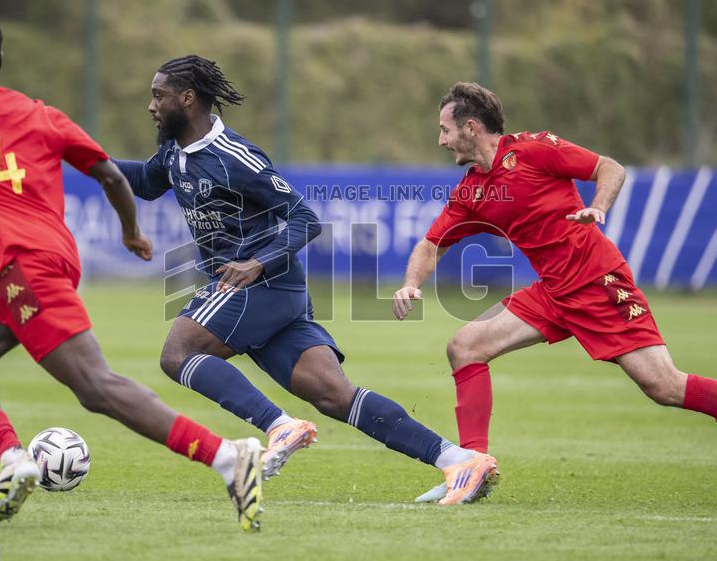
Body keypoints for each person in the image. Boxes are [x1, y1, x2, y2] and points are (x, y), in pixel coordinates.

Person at [0, 12, 265, 531]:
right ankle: (14, 460)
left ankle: (229, 457)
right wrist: (130, 233)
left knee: (96, 388)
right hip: (51, 259)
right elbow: (108, 175)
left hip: (20, 265)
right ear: (0, 61)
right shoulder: (39, 113)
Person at [393, 82, 717, 503]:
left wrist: (598, 206)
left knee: (664, 386)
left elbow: (609, 167)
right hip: (552, 291)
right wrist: (411, 284)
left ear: (470, 128)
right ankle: (473, 467)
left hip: (597, 282)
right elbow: (431, 244)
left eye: (445, 129)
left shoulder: (533, 149)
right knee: (465, 346)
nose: (441, 139)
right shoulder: (473, 190)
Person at [114, 55, 496, 505]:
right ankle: (457, 460)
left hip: (260, 282)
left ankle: (278, 426)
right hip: (275, 294)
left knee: (178, 353)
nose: (151, 105)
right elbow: (144, 181)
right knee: (334, 395)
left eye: (158, 96)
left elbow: (304, 218)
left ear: (187, 98)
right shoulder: (175, 152)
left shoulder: (234, 157)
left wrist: (257, 263)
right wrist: (79, 155)